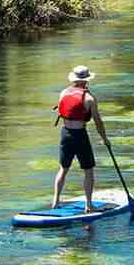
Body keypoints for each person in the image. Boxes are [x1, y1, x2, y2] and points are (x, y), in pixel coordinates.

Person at [51, 65, 110, 211]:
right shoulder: (89, 98)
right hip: (80, 135)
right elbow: (98, 122)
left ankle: (55, 201)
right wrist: (105, 139)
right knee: (88, 170)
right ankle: (89, 205)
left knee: (63, 168)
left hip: (65, 133)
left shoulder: (63, 93)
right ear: (86, 81)